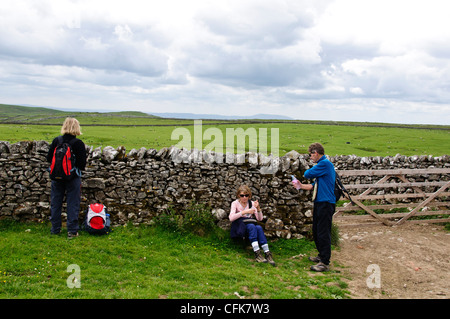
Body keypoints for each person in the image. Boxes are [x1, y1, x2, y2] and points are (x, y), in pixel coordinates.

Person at [292, 143, 335, 272]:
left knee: (323, 232)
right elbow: (313, 185)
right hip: (320, 202)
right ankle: (321, 256)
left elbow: (307, 174)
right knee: (317, 230)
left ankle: (325, 262)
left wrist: (307, 172)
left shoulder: (324, 164)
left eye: (311, 154)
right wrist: (300, 186)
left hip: (326, 203)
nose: (310, 157)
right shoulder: (323, 167)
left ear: (316, 153)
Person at [47, 118, 86, 238]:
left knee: (55, 203)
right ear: (77, 128)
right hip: (72, 178)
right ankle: (72, 231)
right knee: (72, 203)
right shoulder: (78, 143)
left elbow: (49, 158)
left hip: (56, 177)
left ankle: (55, 229)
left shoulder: (56, 141)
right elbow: (82, 164)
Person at [229, 185, 276, 266]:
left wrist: (258, 208)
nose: (244, 197)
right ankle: (257, 253)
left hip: (250, 225)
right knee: (252, 227)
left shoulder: (252, 204)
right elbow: (231, 218)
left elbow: (260, 218)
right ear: (238, 196)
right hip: (240, 227)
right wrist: (244, 212)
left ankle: (267, 252)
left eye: (246, 195)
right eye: (242, 195)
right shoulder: (235, 203)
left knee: (258, 227)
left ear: (249, 196)